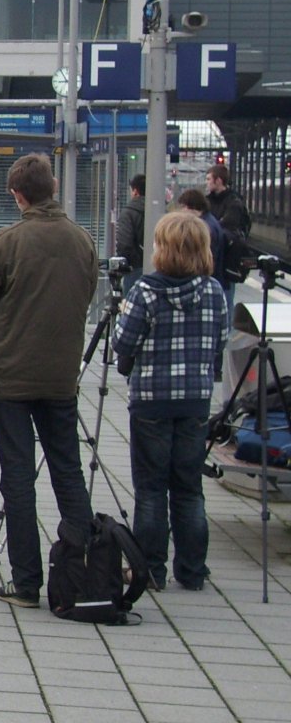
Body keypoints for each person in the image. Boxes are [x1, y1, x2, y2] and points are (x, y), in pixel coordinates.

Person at [0, 152, 97, 609]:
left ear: (18, 195)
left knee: (18, 477)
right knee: (68, 472)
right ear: (53, 187)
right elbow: (87, 293)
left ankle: (26, 583)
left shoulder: (6, 244)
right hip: (60, 378)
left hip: (11, 379)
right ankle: (79, 571)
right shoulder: (83, 241)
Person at [112, 212, 228, 591]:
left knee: (150, 488)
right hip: (195, 403)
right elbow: (219, 344)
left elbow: (123, 344)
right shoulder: (213, 291)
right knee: (189, 487)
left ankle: (151, 571)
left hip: (151, 402)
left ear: (163, 249)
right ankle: (193, 571)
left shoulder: (145, 291)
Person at [206, 163, 250, 321]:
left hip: (226, 261)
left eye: (209, 179)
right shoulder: (207, 201)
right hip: (210, 260)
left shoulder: (234, 202)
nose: (207, 182)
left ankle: (225, 337)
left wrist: (211, 228)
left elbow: (228, 227)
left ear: (218, 181)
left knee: (225, 301)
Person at [116, 174, 147, 293]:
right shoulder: (160, 211)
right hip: (158, 268)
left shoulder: (128, 213)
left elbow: (124, 244)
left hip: (134, 269)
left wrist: (129, 264)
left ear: (135, 191)